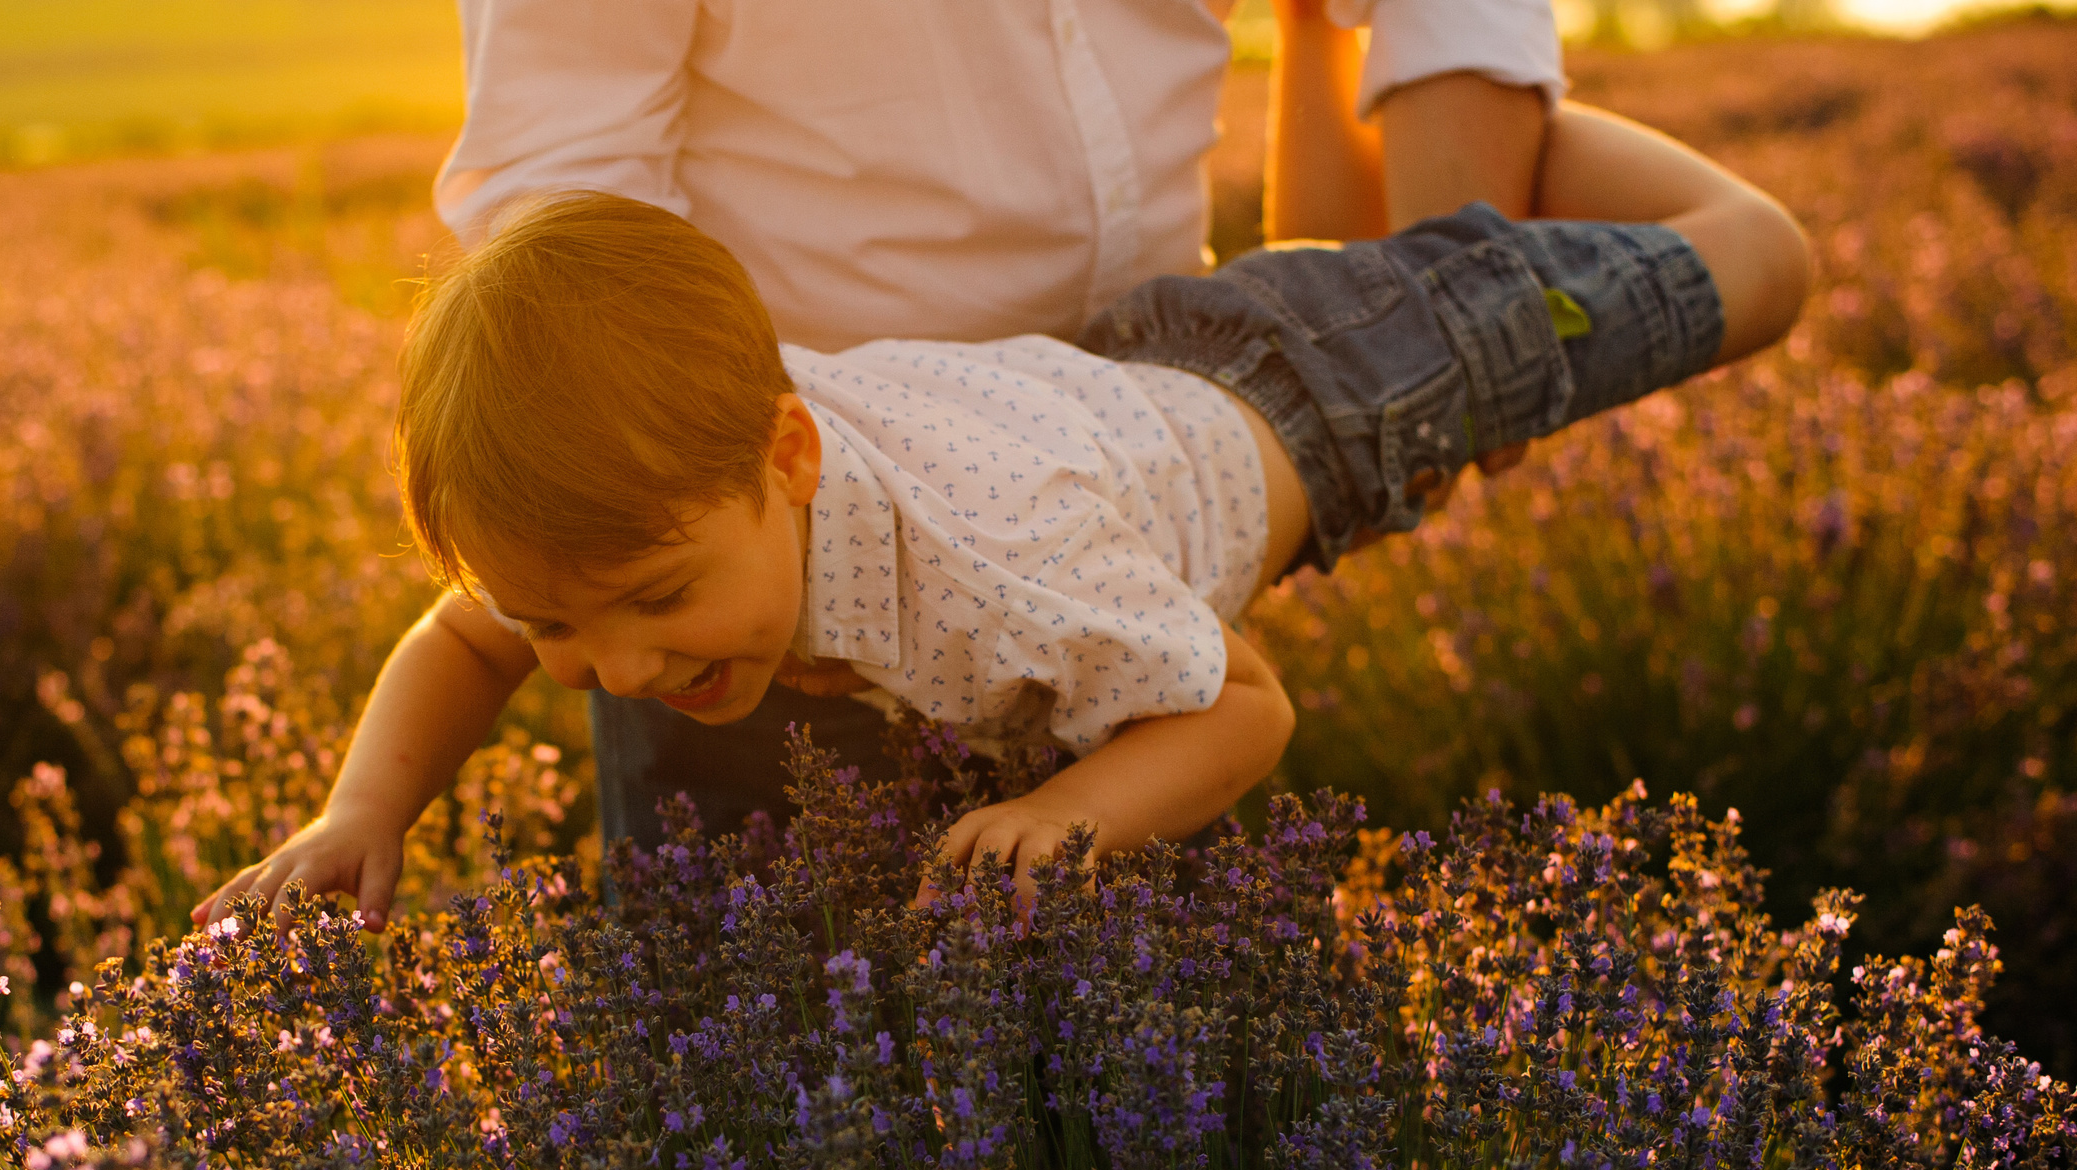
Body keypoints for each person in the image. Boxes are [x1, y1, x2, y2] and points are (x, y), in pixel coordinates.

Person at [192, 104, 1807, 930]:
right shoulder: (646, 510)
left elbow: (1244, 704)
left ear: (791, 459)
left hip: (1335, 396)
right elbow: (465, 632)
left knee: (1753, 272)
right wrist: (362, 811)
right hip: (1113, 379)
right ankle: (1425, 171)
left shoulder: (994, 583)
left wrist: (1074, 815)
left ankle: (1532, 166)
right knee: (1379, 240)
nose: (609, 669)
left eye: (650, 601)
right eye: (562, 625)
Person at [430, 0, 1579, 859]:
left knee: (1167, 1098)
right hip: (751, 568)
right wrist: (796, 531)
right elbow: (564, 184)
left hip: (1139, 487)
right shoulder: (659, 596)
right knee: (775, 1110)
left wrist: (1420, 322)